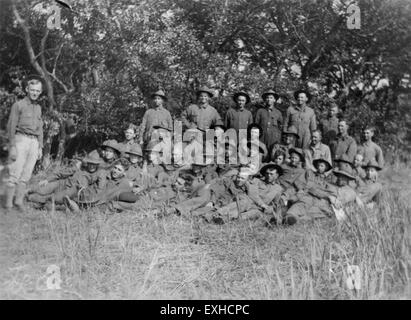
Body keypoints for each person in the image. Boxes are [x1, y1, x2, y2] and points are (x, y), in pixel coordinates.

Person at [5, 75, 45, 212]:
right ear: (27, 89)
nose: (35, 93)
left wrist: (40, 146)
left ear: (40, 92)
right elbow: (11, 126)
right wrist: (12, 147)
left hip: (34, 143)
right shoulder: (18, 105)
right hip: (21, 139)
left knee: (26, 174)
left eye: (37, 91)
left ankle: (18, 202)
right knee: (14, 173)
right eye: (32, 90)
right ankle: (9, 204)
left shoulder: (39, 107)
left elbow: (40, 129)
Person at [27, 150, 106, 208]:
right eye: (90, 163)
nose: (92, 166)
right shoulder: (79, 167)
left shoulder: (99, 174)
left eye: (94, 164)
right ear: (87, 162)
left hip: (72, 190)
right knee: (40, 189)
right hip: (62, 183)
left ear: (97, 165)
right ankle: (26, 192)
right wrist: (47, 180)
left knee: (53, 198)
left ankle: (34, 199)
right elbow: (62, 173)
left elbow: (99, 189)